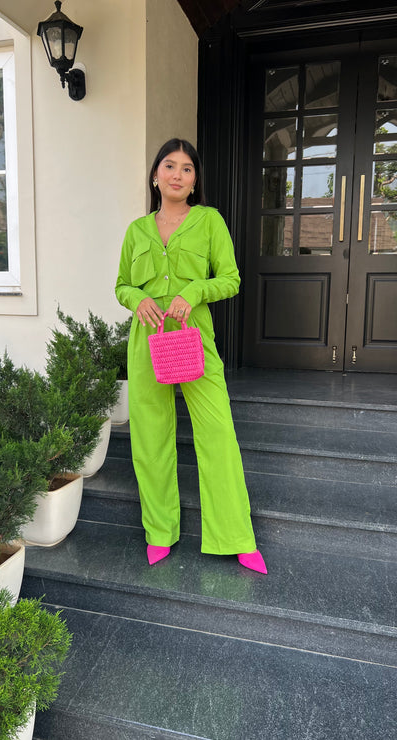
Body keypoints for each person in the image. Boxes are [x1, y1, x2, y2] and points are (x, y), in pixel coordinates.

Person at [115, 138, 267, 574]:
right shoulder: (137, 230)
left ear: (195, 180)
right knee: (150, 437)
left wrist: (195, 290)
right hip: (146, 340)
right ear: (155, 175)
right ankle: (159, 531)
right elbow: (121, 284)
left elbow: (231, 278)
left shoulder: (209, 221)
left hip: (193, 337)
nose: (177, 175)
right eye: (169, 166)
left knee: (217, 432)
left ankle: (235, 536)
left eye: (187, 168)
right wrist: (137, 299)